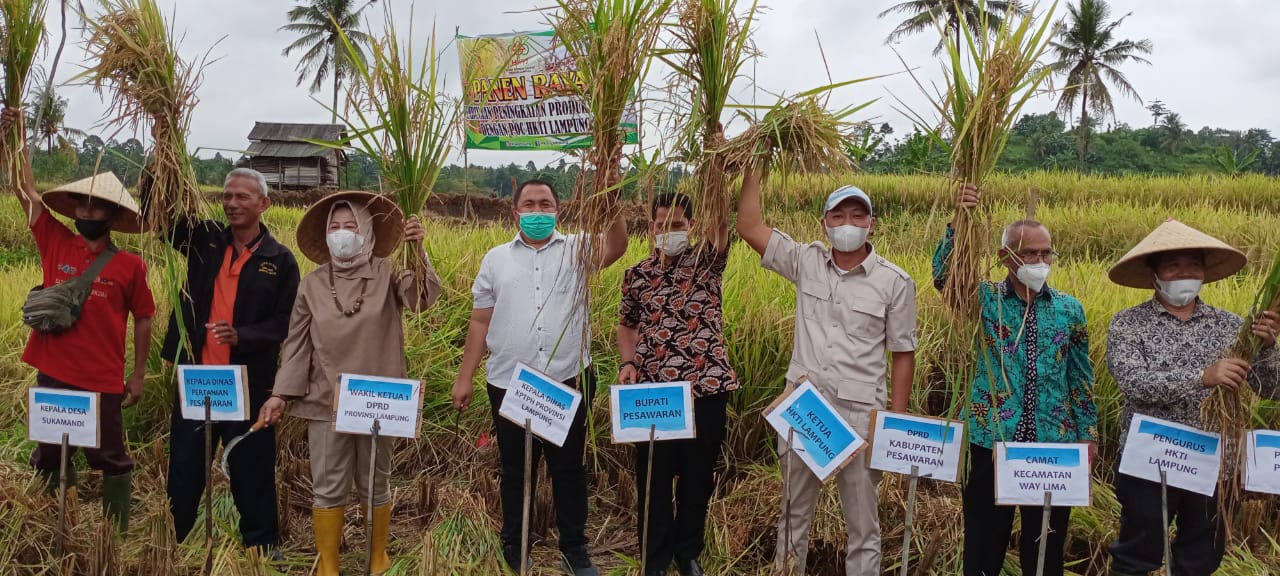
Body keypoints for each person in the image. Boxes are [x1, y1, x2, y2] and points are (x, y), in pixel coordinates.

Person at [736, 162, 918, 575]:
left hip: (860, 419)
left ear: (872, 224)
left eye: (857, 216)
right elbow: (749, 225)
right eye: (838, 216)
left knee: (863, 528)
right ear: (824, 224)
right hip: (805, 412)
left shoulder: (895, 282)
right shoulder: (806, 261)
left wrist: (896, 420)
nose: (847, 224)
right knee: (792, 518)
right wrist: (753, 162)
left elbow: (903, 352)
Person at [257, 191, 441, 576]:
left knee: (376, 481)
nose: (342, 234)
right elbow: (297, 343)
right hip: (326, 398)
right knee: (328, 484)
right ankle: (328, 563)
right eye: (335, 228)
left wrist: (418, 251)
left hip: (380, 399)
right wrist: (278, 394)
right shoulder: (312, 285)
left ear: (368, 231)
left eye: (350, 226)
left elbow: (421, 299)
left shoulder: (389, 272)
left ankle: (378, 557)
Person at [451, 178, 628, 576]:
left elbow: (617, 245)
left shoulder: (578, 248)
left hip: (568, 380)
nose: (536, 211)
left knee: (568, 468)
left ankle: (574, 548)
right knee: (516, 469)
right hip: (510, 384)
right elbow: (480, 321)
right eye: (528, 204)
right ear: (514, 212)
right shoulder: (496, 259)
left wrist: (611, 189)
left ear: (557, 210)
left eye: (544, 204)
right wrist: (465, 377)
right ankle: (515, 543)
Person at [1, 108, 155, 535]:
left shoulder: (129, 266)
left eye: (96, 205)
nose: (87, 210)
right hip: (54, 372)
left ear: (110, 214)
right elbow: (25, 190)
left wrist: (138, 375)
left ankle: (115, 535)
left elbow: (144, 318)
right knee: (49, 453)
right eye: (82, 203)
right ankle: (42, 525)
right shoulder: (55, 241)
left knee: (109, 456)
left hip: (102, 378)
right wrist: (16, 136)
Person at [933, 185, 1097, 576]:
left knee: (1046, 548)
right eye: (1028, 253)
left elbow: (1079, 376)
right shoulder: (986, 300)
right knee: (984, 544)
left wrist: (1087, 435)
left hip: (1053, 444)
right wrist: (959, 221)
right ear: (1006, 257)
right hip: (991, 441)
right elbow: (944, 279)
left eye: (1045, 253)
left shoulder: (1068, 309)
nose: (1039, 261)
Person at [1105, 219, 1280, 576]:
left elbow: (1271, 389)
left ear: (1204, 273)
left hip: (1213, 462)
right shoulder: (1128, 324)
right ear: (1153, 274)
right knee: (1137, 554)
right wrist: (1203, 376)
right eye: (1173, 265)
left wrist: (1268, 349)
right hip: (1150, 459)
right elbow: (1134, 382)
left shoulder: (1232, 325)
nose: (1185, 272)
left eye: (1193, 265)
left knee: (1201, 557)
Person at [140, 166, 299, 556]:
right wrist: (158, 159)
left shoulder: (279, 260)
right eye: (227, 196)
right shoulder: (204, 240)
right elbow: (155, 213)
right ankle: (178, 539)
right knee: (185, 465)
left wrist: (243, 335)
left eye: (242, 197)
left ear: (264, 203)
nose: (231, 203)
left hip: (247, 382)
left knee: (253, 466)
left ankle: (261, 544)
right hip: (197, 378)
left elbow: (286, 321)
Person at [617, 192, 735, 576]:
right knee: (653, 478)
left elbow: (722, 226)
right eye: (662, 225)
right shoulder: (636, 275)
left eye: (679, 225)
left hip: (707, 387)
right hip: (655, 393)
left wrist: (715, 169)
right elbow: (627, 324)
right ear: (651, 228)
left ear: (692, 227)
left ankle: (688, 553)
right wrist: (629, 362)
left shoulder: (706, 263)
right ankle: (655, 558)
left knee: (697, 477)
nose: (670, 232)